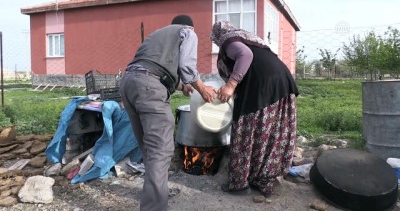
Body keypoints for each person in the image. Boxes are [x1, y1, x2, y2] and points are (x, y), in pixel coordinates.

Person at [119, 15, 217, 211]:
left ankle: (156, 193)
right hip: (150, 89)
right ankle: (154, 206)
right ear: (189, 26)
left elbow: (152, 66)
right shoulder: (188, 32)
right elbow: (187, 66)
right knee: (160, 151)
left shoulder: (158, 34)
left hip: (128, 84)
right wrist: (201, 88)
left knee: (149, 149)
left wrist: (182, 86)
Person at [210, 20, 299, 197]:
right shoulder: (250, 39)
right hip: (283, 81)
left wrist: (231, 84)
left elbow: (245, 55)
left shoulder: (230, 40)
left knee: (245, 131)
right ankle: (264, 178)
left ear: (218, 36)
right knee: (271, 133)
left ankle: (240, 184)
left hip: (261, 85)